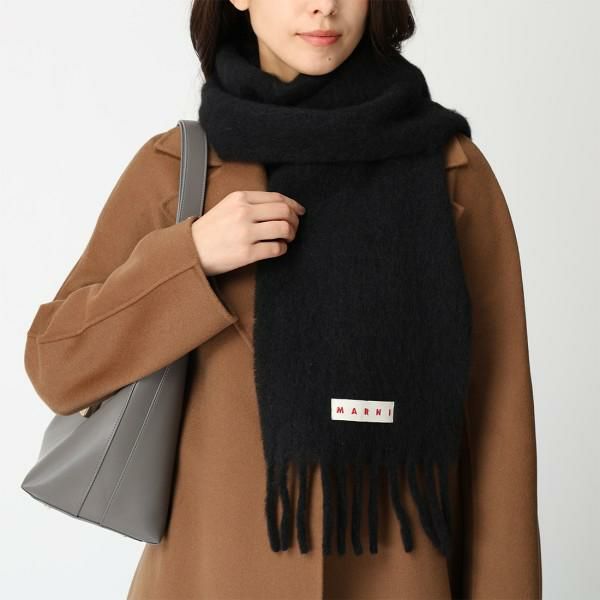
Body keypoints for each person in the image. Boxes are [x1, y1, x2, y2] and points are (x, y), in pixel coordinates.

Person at [24, 1, 542, 598]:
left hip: (397, 577)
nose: (323, 5)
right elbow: (57, 365)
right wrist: (192, 257)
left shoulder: (451, 174)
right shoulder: (180, 170)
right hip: (210, 579)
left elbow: (499, 423)